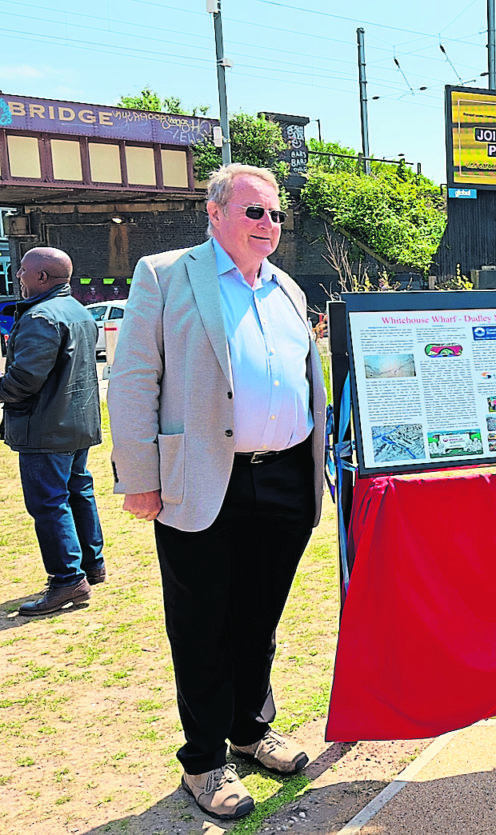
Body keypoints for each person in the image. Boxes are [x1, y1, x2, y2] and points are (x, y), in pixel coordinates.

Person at [107, 164, 327, 820]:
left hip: (286, 476)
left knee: (259, 618)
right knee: (202, 623)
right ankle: (204, 760)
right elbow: (134, 377)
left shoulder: (286, 286)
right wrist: (140, 477)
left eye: (277, 215)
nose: (269, 225)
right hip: (203, 479)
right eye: (255, 212)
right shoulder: (165, 274)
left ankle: (252, 729)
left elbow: (304, 376)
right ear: (215, 213)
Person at [1, 247, 105, 616]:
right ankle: (92, 566)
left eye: (23, 271)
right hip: (76, 422)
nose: (18, 276)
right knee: (79, 492)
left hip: (45, 427)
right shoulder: (77, 310)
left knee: (49, 503)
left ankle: (66, 581)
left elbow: (24, 380)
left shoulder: (40, 317)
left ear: (42, 277)